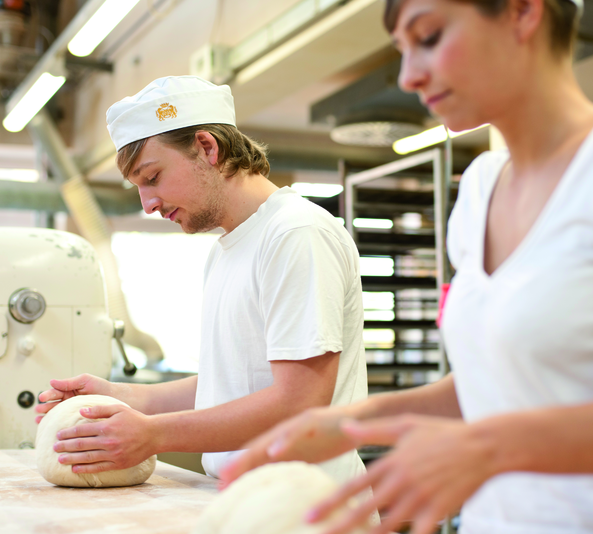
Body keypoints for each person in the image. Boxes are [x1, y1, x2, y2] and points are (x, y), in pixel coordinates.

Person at [222, 0, 593, 533]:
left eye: (430, 37)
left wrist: (489, 448)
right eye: (402, 51)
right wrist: (349, 421)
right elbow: (489, 385)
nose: (410, 76)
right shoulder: (481, 186)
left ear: (523, 12)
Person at [35, 76, 369, 485]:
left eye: (152, 177)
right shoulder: (225, 252)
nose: (148, 204)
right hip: (245, 500)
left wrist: (152, 435)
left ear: (207, 148)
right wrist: (123, 396)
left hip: (308, 509)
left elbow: (299, 401)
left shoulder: (295, 233)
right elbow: (230, 382)